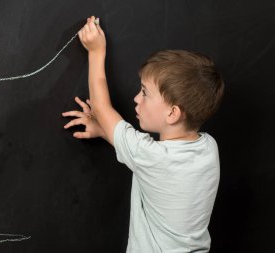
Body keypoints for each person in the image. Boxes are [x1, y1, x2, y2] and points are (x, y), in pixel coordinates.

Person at [62, 16, 224, 253]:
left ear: (172, 113)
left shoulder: (152, 157)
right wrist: (103, 129)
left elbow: (102, 109)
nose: (136, 99)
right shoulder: (209, 148)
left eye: (145, 93)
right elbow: (145, 159)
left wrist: (96, 52)